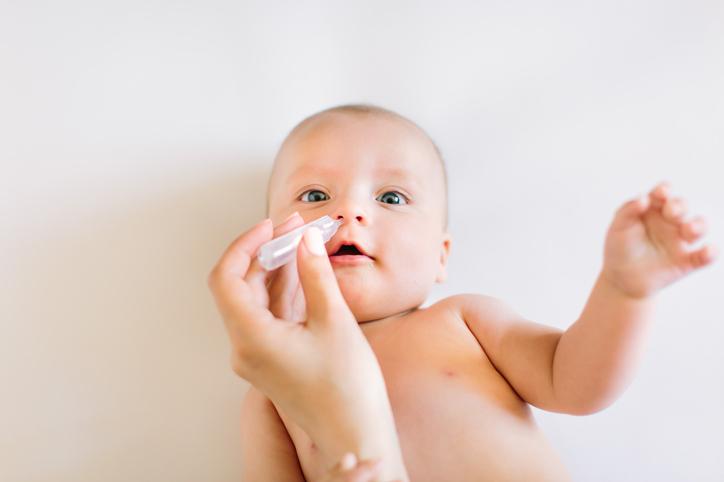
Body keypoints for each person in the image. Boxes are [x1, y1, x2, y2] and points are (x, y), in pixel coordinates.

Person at [209, 103, 718, 481]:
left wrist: (623, 290)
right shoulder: (272, 396)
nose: (349, 212)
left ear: (441, 257)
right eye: (316, 195)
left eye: (392, 196)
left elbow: (579, 385)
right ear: (269, 242)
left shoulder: (464, 323)